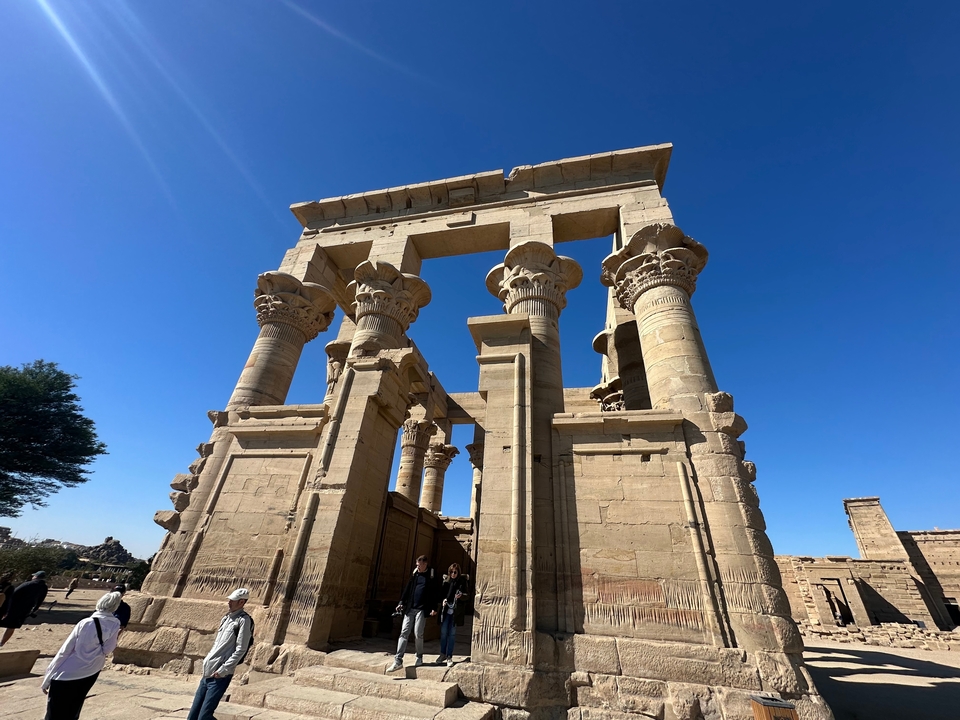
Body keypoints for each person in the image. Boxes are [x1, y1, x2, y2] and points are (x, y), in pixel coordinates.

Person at [41, 591, 123, 719]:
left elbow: (65, 651)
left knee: (54, 711)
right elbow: (108, 649)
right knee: (74, 706)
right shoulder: (115, 623)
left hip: (68, 672)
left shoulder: (85, 623)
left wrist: (48, 677)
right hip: (92, 670)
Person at [186, 588, 253, 720]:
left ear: (241, 602)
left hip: (220, 674)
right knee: (193, 716)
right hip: (208, 671)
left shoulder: (244, 621)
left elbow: (241, 649)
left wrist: (224, 669)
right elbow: (217, 644)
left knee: (204, 717)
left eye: (232, 601)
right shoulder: (226, 618)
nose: (229, 603)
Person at [387, 555, 438, 672]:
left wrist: (433, 608)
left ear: (425, 564)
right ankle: (398, 660)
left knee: (418, 633)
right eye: (417, 565)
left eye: (419, 565)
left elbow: (434, 593)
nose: (417, 567)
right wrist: (401, 602)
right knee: (404, 632)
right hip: (410, 608)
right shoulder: (415, 574)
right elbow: (408, 589)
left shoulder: (431, 576)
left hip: (421, 609)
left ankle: (419, 656)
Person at [0, 570, 48, 647]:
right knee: (12, 627)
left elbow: (14, 593)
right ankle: (2, 643)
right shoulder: (44, 587)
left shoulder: (27, 584)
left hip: (13, 607)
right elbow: (40, 599)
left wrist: (6, 606)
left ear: (35, 577)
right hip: (25, 610)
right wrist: (35, 609)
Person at [436, 563, 468, 667]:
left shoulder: (462, 582)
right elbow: (441, 595)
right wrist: (443, 601)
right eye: (451, 572)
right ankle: (442, 654)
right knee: (444, 633)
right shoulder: (446, 582)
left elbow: (467, 596)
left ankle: (449, 655)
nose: (453, 574)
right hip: (446, 611)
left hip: (455, 612)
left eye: (455, 572)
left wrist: (461, 596)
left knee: (452, 635)